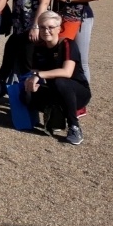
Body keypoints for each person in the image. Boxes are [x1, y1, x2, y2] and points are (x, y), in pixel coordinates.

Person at [21, 11, 91, 145]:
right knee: (26, 92)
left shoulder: (67, 44)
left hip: (77, 92)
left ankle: (74, 126)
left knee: (61, 82)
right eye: (42, 27)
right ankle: (55, 114)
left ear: (59, 29)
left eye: (50, 27)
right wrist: (33, 79)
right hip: (54, 89)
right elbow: (36, 69)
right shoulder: (39, 47)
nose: (46, 31)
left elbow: (67, 72)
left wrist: (39, 75)